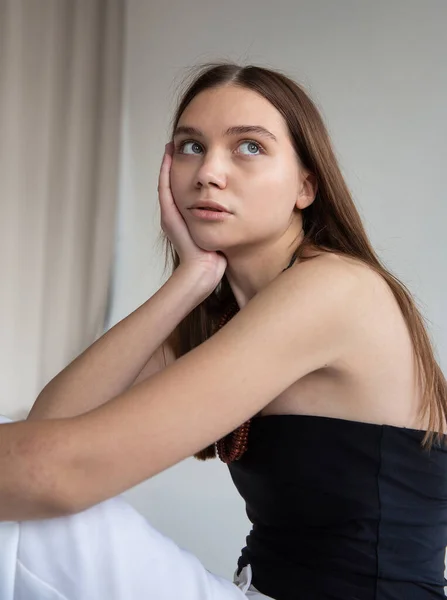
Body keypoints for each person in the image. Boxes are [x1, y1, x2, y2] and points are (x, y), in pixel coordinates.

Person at [0, 62, 446, 600]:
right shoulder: (224, 313)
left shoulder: (334, 289)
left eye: (249, 147)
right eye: (190, 146)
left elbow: (53, 474)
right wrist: (190, 279)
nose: (208, 171)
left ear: (306, 185)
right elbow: (53, 425)